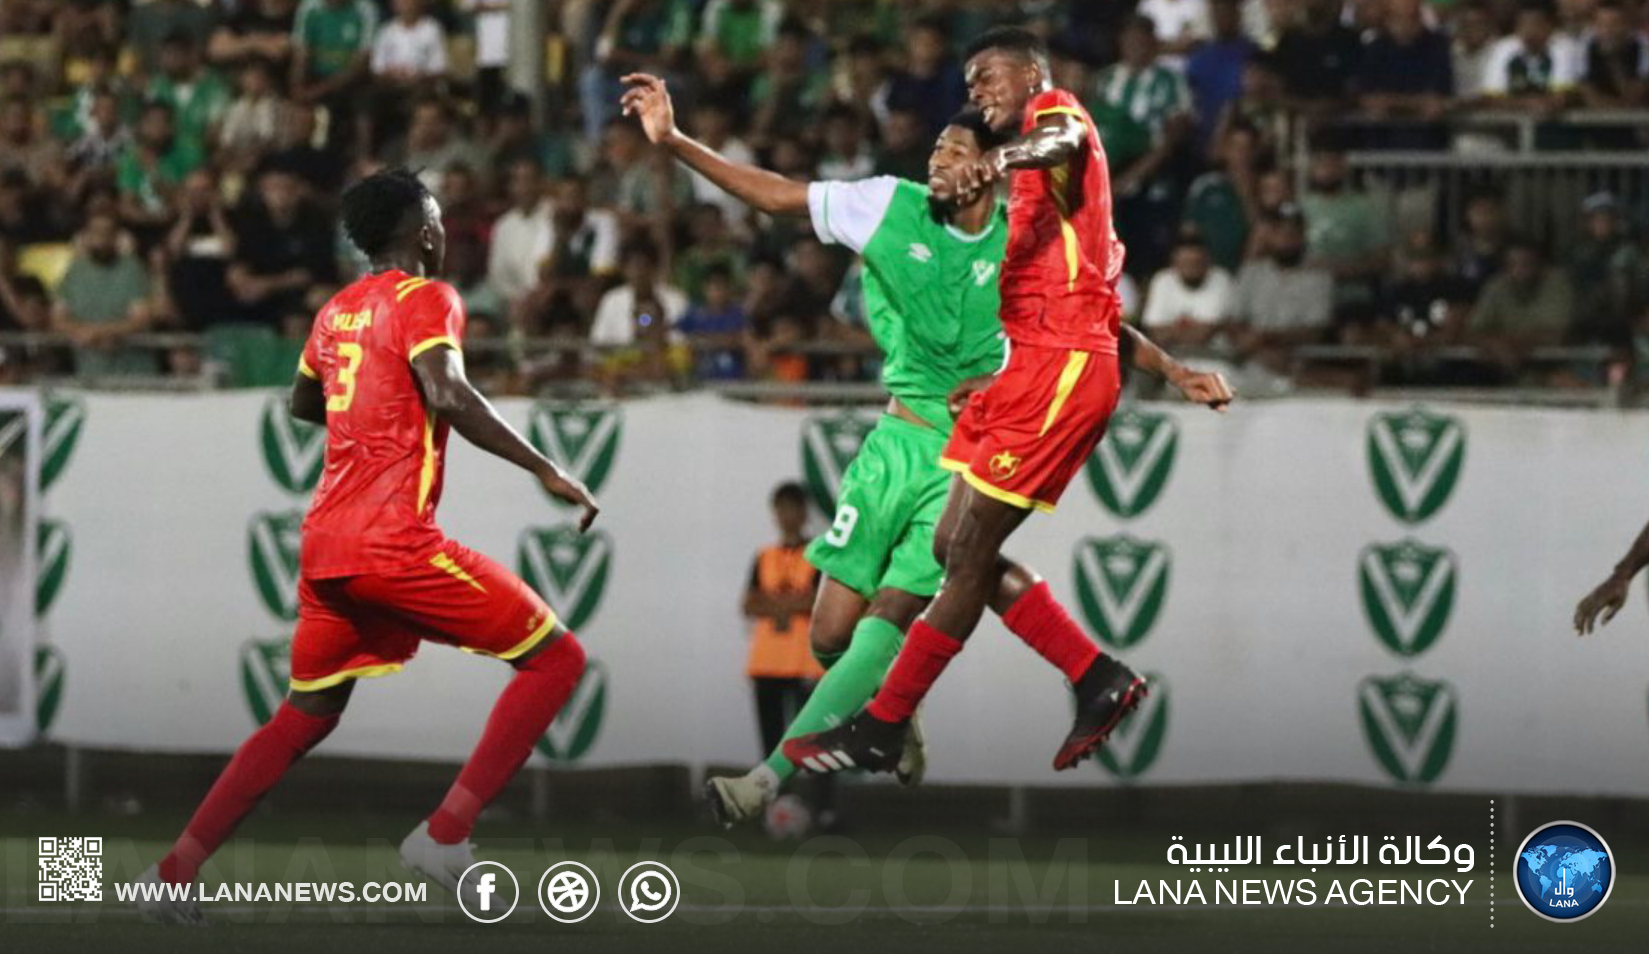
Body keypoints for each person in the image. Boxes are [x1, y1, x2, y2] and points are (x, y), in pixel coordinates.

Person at [133, 169, 599, 924]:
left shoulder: (337, 309)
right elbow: (448, 393)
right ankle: (445, 836)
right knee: (556, 658)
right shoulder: (426, 298)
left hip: (325, 548)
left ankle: (173, 873)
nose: (445, 232)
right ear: (420, 232)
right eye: (440, 218)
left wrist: (367, 413)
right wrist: (546, 467)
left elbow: (302, 401)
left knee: (303, 718)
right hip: (391, 541)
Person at [777, 29, 1231, 778]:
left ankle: (886, 723)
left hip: (1060, 373)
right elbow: (1081, 299)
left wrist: (991, 157)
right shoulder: (1026, 196)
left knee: (963, 554)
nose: (978, 90)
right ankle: (1091, 675)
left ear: (1030, 73)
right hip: (1031, 370)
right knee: (950, 546)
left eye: (987, 75)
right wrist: (1172, 371)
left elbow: (1053, 142)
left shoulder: (1058, 117)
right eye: (969, 80)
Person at [621, 74, 1014, 823]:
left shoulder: (1021, 241)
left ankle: (762, 782)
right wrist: (673, 142)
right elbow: (773, 195)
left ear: (989, 167)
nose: (936, 160)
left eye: (955, 149)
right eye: (935, 146)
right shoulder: (890, 205)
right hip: (895, 441)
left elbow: (1085, 321)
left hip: (964, 463)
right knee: (830, 636)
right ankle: (893, 711)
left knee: (884, 618)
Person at [742, 482, 823, 761]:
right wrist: (793, 603)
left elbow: (818, 600)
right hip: (766, 663)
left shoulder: (818, 553)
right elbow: (748, 604)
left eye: (792, 508)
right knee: (770, 744)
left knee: (811, 742)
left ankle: (819, 804)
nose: (786, 515)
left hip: (805, 662)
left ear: (803, 512)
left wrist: (772, 603)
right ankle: (776, 800)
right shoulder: (764, 556)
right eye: (780, 509)